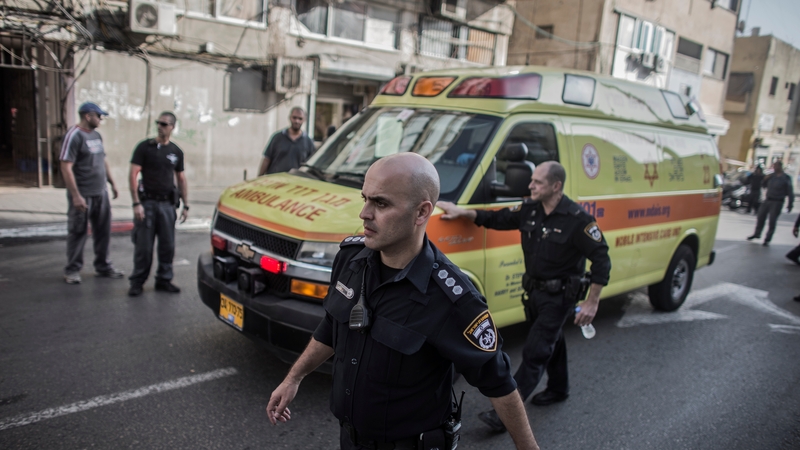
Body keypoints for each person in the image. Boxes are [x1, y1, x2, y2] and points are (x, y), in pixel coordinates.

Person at [267, 153, 539, 450]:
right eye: (365, 198)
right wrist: (294, 377)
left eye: (381, 203)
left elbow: (499, 385)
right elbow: (332, 326)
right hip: (350, 439)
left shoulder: (454, 299)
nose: (364, 213)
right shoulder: (350, 259)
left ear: (421, 213)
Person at [437, 161, 611, 433]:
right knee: (552, 341)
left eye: (537, 182)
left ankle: (505, 414)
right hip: (535, 293)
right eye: (531, 180)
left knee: (536, 350)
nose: (530, 186)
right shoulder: (530, 209)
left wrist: (592, 301)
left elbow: (601, 259)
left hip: (560, 296)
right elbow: (496, 218)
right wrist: (461, 211)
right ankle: (558, 388)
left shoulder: (578, 220)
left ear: (555, 186)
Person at [60, 102, 124, 284]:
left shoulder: (97, 136)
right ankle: (72, 270)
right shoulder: (74, 136)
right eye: (99, 116)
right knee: (78, 232)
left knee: (103, 232)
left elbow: (102, 160)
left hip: (100, 193)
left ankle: (103, 266)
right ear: (88, 116)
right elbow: (66, 167)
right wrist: (76, 195)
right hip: (83, 194)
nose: (101, 119)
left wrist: (112, 183)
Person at [127, 112, 188, 296]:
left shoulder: (176, 152)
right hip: (148, 204)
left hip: (167, 205)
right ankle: (137, 281)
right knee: (143, 247)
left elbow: (181, 178)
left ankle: (164, 280)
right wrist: (136, 203)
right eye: (158, 123)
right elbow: (133, 175)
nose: (160, 126)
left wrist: (186, 205)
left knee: (167, 246)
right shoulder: (145, 147)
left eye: (164, 124)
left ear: (172, 127)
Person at [747, 161, 794, 246]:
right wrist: (765, 179)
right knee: (760, 216)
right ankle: (757, 233)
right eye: (774, 166)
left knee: (772, 221)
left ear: (780, 167)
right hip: (768, 199)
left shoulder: (786, 178)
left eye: (776, 166)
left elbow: (790, 192)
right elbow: (763, 185)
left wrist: (790, 204)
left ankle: (767, 238)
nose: (774, 168)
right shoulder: (771, 176)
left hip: (777, 201)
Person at [257, 107, 315, 176]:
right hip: (275, 181)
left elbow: (311, 166)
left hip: (296, 182)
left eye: (300, 118)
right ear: (290, 117)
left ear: (304, 120)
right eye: (294, 117)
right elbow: (267, 159)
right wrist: (259, 177)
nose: (297, 121)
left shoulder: (308, 142)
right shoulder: (277, 137)